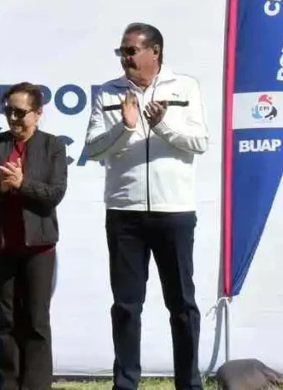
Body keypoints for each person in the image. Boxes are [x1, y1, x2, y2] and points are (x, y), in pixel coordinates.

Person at [84, 23, 209, 390]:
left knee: (183, 305)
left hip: (174, 211)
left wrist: (163, 125)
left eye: (131, 51)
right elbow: (92, 149)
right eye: (121, 52)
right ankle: (125, 384)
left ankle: (189, 384)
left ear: (155, 51)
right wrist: (124, 127)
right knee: (126, 306)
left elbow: (199, 141)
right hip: (125, 212)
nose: (125, 58)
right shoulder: (110, 92)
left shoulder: (184, 87)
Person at [0, 82, 67, 390]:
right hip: (1, 244)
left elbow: (54, 194)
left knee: (36, 321)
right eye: (8, 111)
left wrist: (22, 183)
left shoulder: (53, 146)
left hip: (38, 246)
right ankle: (8, 384)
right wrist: (1, 186)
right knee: (7, 321)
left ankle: (36, 385)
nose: (13, 118)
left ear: (38, 114)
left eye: (21, 112)